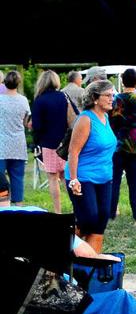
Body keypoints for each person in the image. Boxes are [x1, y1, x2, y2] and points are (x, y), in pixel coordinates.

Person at [65, 80, 117, 251]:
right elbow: (73, 152)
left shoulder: (106, 118)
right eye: (108, 95)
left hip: (105, 177)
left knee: (101, 219)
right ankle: (63, 250)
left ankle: (90, 266)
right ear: (95, 98)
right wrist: (74, 180)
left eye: (113, 95)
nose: (112, 98)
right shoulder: (86, 119)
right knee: (89, 218)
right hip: (83, 177)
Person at [106, 69, 136, 221]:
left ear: (122, 81)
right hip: (135, 143)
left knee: (114, 180)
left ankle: (111, 212)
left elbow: (112, 120)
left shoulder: (116, 99)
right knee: (135, 181)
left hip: (119, 142)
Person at [31, 70, 72, 212]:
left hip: (48, 144)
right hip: (66, 143)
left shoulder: (39, 100)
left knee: (53, 178)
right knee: (68, 177)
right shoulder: (63, 96)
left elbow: (36, 126)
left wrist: (37, 142)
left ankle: (57, 211)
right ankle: (78, 207)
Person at [0, 71, 31, 204]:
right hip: (18, 144)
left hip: (1, 144)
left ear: (4, 82)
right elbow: (27, 122)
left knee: (0, 180)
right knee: (18, 178)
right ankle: (18, 206)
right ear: (18, 84)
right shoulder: (23, 100)